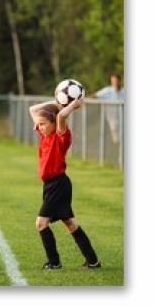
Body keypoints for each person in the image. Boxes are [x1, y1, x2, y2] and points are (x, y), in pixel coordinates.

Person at [29, 97, 101, 270]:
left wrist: (69, 106)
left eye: (45, 123)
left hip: (58, 185)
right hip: (50, 185)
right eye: (40, 124)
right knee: (70, 224)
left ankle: (54, 262)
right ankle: (93, 261)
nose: (41, 127)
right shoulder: (44, 134)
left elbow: (61, 117)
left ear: (54, 123)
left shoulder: (61, 136)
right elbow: (33, 109)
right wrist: (56, 101)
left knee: (41, 223)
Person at [90, 74, 124, 144]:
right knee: (116, 138)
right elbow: (95, 95)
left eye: (116, 81)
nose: (114, 83)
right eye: (113, 81)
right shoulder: (107, 91)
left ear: (119, 81)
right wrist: (83, 100)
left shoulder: (124, 91)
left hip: (123, 118)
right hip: (112, 119)